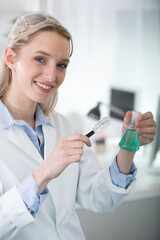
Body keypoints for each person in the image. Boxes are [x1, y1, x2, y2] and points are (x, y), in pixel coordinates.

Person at [0, 12, 156, 240]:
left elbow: (101, 198)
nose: (52, 76)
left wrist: (128, 146)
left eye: (61, 65)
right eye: (40, 59)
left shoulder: (62, 125)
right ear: (11, 58)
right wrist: (43, 173)